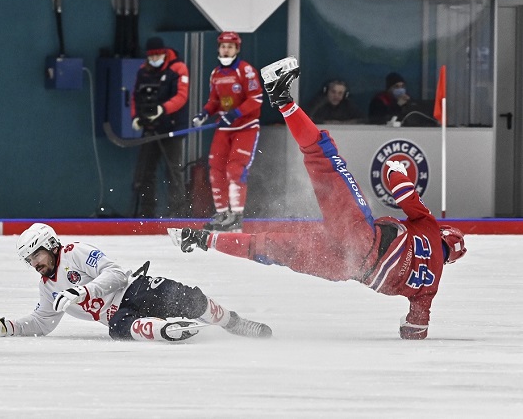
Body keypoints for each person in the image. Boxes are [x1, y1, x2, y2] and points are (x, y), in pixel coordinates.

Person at [172, 57, 467, 340]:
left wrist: (395, 168)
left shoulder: (429, 227)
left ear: (444, 233)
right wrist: (407, 324)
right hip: (347, 268)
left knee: (323, 156)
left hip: (361, 238)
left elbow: (400, 189)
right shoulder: (431, 286)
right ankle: (201, 239)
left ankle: (282, 98)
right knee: (267, 248)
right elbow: (416, 330)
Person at [0, 223, 271, 342]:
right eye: (29, 261)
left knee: (188, 298)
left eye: (36, 256)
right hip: (119, 316)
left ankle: (232, 321)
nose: (35, 264)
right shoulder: (47, 287)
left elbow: (116, 273)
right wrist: (10, 327)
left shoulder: (75, 252)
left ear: (51, 244)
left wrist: (82, 290)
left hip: (135, 289)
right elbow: (42, 322)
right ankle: (165, 330)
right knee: (118, 328)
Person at [192, 31, 263, 232]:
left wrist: (235, 113)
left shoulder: (245, 70)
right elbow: (214, 101)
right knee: (215, 169)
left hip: (245, 128)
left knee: (235, 169)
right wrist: (204, 114)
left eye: (230, 46)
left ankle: (236, 216)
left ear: (237, 49)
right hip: (224, 128)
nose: (226, 49)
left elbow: (256, 99)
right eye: (223, 45)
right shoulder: (215, 74)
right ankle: (222, 213)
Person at [130, 36, 189, 218]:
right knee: (146, 172)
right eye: (151, 56)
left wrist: (163, 109)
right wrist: (137, 117)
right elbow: (135, 96)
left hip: (171, 128)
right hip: (150, 128)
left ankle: (177, 213)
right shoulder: (143, 71)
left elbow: (181, 96)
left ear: (164, 53)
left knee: (173, 171)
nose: (154, 60)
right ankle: (146, 212)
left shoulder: (178, 68)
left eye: (157, 56)